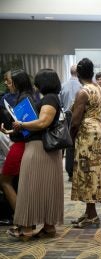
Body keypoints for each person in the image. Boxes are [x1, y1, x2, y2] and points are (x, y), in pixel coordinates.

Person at [7, 69, 64, 240]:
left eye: (38, 81)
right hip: (46, 149)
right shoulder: (52, 98)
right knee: (46, 188)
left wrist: (22, 124)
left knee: (29, 187)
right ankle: (48, 227)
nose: (35, 85)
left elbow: (43, 122)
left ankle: (26, 230)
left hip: (38, 148)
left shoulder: (48, 99)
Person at [70, 58, 101, 228]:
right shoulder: (98, 89)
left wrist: (70, 137)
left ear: (78, 73)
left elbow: (76, 120)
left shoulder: (83, 92)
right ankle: (88, 212)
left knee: (87, 171)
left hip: (87, 135)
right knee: (93, 170)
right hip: (98, 131)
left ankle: (92, 215)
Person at [0, 70, 37, 221]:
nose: (8, 85)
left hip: (21, 145)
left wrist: (15, 129)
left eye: (10, 82)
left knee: (5, 181)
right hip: (21, 143)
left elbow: (27, 127)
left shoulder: (24, 98)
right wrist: (9, 130)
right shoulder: (28, 96)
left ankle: (22, 219)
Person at [59, 65, 82, 182]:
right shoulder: (83, 86)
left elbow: (60, 104)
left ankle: (70, 172)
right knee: (81, 144)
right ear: (79, 73)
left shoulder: (62, 85)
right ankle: (80, 171)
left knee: (70, 145)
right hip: (81, 117)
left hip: (68, 116)